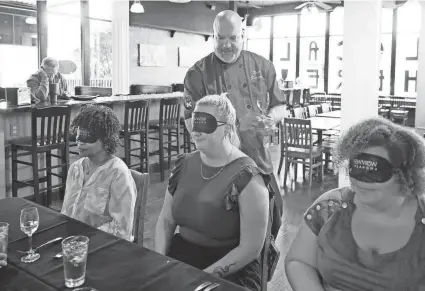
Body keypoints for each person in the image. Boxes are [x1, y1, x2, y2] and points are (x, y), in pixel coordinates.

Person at [285, 117, 425, 291]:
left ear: (405, 174)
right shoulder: (330, 207)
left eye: (375, 171)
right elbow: (298, 261)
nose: (362, 182)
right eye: (356, 168)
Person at [183, 10, 286, 238]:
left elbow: (280, 106)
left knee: (273, 221)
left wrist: (271, 118)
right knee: (223, 232)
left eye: (233, 38)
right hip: (217, 167)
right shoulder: (197, 74)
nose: (227, 45)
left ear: (243, 35)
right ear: (213, 36)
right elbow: (194, 125)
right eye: (221, 38)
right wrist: (232, 127)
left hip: (259, 160)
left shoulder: (264, 66)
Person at [155, 94, 270, 291]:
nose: (196, 131)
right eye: (194, 123)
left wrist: (202, 277)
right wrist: (160, 262)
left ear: (226, 127)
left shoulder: (248, 177)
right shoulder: (184, 164)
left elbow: (251, 248)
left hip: (231, 268)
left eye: (205, 123)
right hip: (182, 256)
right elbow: (166, 220)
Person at [61, 105, 137, 241]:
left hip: (104, 244)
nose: (80, 143)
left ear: (105, 139)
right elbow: (66, 213)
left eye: (87, 138)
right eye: (78, 137)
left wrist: (85, 238)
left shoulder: (117, 173)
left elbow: (122, 229)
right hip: (73, 243)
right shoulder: (75, 168)